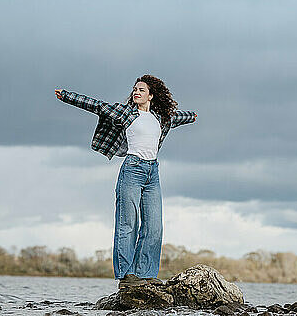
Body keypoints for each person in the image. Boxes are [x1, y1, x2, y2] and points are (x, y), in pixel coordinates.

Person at [54, 74, 197, 289]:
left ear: (151, 95)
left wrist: (192, 116)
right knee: (128, 223)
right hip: (132, 169)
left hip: (153, 173)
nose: (136, 92)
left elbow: (179, 116)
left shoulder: (161, 118)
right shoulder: (127, 113)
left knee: (154, 226)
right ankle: (126, 275)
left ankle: (146, 274)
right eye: (135, 89)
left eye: (141, 89)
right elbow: (97, 105)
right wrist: (67, 96)